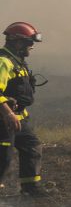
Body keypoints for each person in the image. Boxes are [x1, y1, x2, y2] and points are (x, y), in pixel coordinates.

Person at [0, 22, 45, 196]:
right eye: (28, 42)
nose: (31, 46)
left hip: (16, 119)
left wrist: (18, 115)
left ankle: (30, 190)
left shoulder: (17, 61)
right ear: (17, 42)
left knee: (31, 145)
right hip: (4, 119)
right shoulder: (4, 62)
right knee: (4, 157)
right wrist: (8, 113)